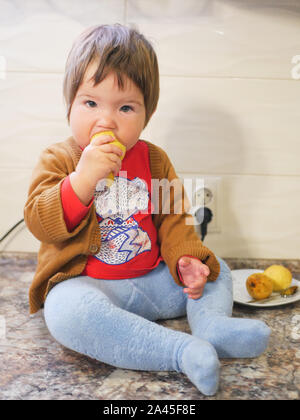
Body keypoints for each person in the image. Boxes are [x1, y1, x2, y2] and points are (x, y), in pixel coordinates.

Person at [24, 24, 270, 396]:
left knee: (215, 266)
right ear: (69, 103)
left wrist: (186, 258)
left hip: (153, 281)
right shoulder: (59, 158)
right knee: (65, 312)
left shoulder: (154, 160)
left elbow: (175, 219)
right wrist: (81, 180)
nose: (105, 121)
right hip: (93, 287)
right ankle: (182, 351)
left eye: (125, 107)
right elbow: (40, 222)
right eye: (90, 103)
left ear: (146, 115)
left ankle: (212, 326)